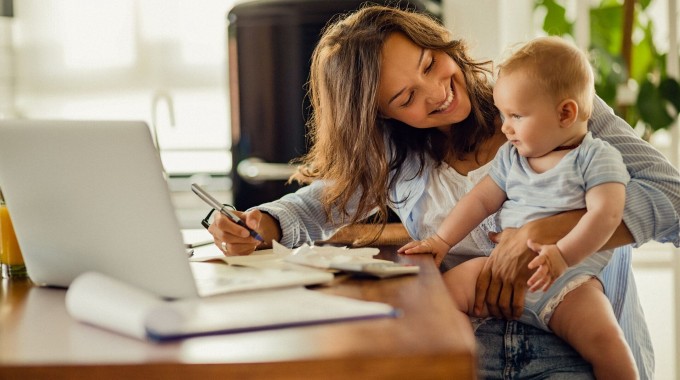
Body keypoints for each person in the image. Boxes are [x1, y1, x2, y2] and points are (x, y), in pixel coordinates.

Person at [207, 5, 680, 379]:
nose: (436, 93)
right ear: (383, 116)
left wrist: (547, 230)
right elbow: (319, 203)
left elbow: (673, 200)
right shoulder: (399, 155)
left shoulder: (548, 99)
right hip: (472, 347)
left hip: (578, 345)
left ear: (439, 43)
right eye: (406, 98)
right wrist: (259, 223)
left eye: (431, 64)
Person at [398, 36, 637, 379]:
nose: (505, 126)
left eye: (516, 116)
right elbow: (480, 200)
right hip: (497, 270)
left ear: (565, 113)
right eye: (502, 114)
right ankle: (462, 365)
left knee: (608, 343)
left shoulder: (596, 158)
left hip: (569, 284)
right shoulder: (512, 157)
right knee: (439, 298)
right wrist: (441, 241)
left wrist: (563, 255)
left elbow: (607, 216)